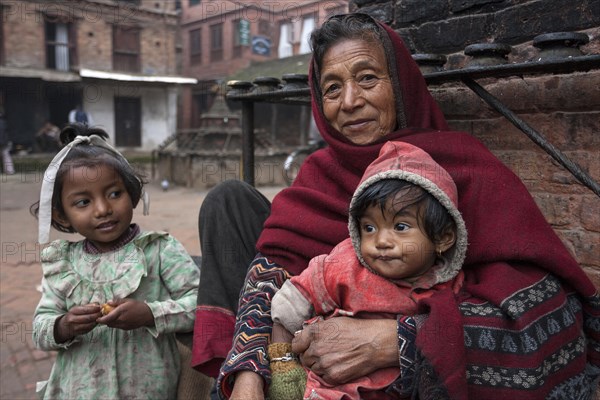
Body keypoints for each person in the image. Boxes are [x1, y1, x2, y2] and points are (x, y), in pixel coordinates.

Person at [191, 13, 600, 400]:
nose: (349, 101)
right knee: (228, 199)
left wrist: (395, 340)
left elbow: (550, 319)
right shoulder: (318, 177)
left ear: (401, 83)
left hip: (400, 384)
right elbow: (271, 275)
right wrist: (249, 371)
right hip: (306, 378)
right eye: (332, 88)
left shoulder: (463, 170)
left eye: (367, 78)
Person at [268, 141, 468, 399]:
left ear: (443, 238)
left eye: (401, 227)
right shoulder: (344, 267)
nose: (381, 241)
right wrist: (283, 364)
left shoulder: (450, 287)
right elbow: (290, 304)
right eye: (370, 228)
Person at [31, 124, 200, 399]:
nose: (103, 209)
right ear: (62, 216)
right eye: (83, 202)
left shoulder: (158, 251)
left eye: (114, 194)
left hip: (149, 390)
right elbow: (40, 329)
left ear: (131, 193)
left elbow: (200, 305)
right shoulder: (63, 264)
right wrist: (63, 325)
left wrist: (150, 313)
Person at [0, 110, 15, 175]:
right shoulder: (4, 122)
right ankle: (10, 170)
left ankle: (9, 170)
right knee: (6, 155)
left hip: (3, 142)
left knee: (6, 155)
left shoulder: (2, 122)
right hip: (5, 142)